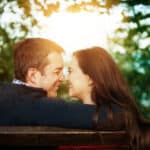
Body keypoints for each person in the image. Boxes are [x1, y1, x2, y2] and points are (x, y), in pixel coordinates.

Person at [67, 46, 150, 149]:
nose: (66, 78)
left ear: (90, 79)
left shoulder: (114, 120)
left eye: (70, 71)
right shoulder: (122, 121)